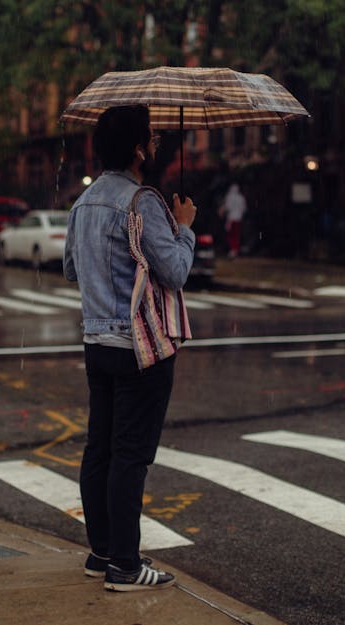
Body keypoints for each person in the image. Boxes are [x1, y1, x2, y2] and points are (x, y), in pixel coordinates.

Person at [63, 105, 196, 591]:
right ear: (138, 148)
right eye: (152, 136)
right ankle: (124, 564)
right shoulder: (143, 202)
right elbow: (176, 271)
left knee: (100, 449)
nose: (157, 143)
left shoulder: (84, 202)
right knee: (130, 456)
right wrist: (183, 226)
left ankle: (101, 553)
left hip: (97, 342)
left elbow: (73, 271)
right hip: (140, 348)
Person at [220, 182, 247, 258]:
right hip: (239, 219)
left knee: (231, 235)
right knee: (237, 235)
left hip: (231, 218)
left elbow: (228, 207)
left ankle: (233, 250)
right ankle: (235, 250)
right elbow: (244, 209)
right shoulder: (241, 197)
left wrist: (222, 210)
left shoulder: (229, 196)